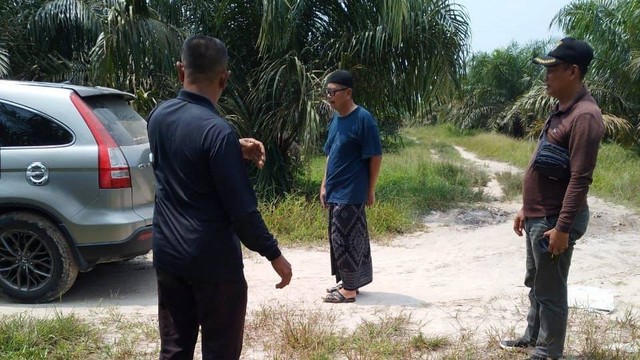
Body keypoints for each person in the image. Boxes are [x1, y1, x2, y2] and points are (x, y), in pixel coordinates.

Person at [147, 35, 292, 360]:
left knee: (174, 348)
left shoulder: (158, 117)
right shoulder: (218, 132)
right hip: (213, 265)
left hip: (168, 256)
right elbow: (242, 211)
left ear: (180, 71)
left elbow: (183, 149)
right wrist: (274, 255)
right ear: (225, 77)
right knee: (220, 352)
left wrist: (230, 148)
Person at [499, 38, 605, 360]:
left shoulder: (585, 116)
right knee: (537, 282)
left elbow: (580, 179)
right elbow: (543, 163)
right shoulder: (560, 110)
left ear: (573, 72)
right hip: (538, 215)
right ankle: (533, 336)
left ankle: (548, 351)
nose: (546, 77)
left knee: (551, 289)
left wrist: (562, 228)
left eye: (553, 70)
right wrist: (525, 208)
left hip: (554, 220)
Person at [320, 69, 382, 303]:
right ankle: (350, 282)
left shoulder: (363, 119)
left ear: (348, 93)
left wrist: (370, 189)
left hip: (352, 191)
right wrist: (324, 184)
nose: (329, 96)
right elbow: (330, 153)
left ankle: (348, 291)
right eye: (327, 92)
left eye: (333, 92)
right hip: (335, 190)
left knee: (344, 238)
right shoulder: (336, 120)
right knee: (339, 238)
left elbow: (375, 156)